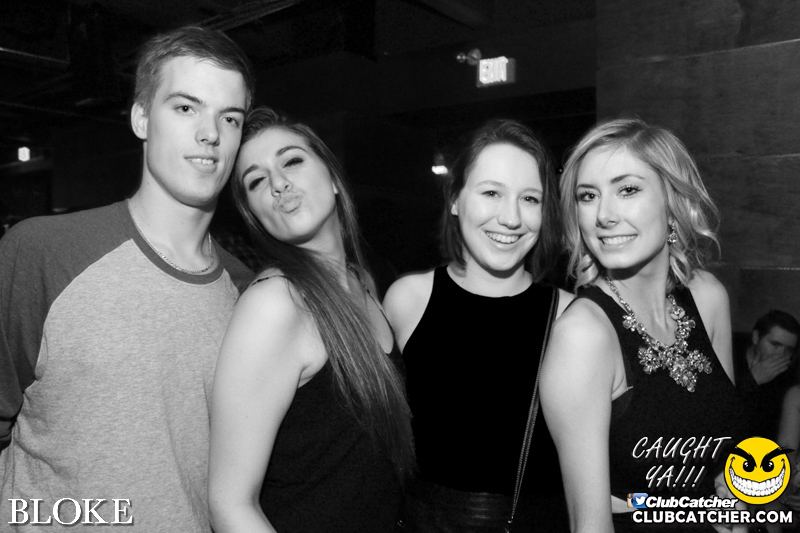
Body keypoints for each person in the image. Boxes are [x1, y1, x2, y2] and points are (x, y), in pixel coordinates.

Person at [0, 26, 254, 531]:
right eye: (186, 107)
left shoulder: (247, 294)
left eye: (230, 117)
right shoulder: (44, 252)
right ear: (141, 118)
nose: (211, 133)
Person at [208, 107, 415, 533]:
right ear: (255, 215)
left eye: (292, 161)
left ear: (334, 179)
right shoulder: (275, 304)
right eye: (256, 181)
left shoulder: (361, 282)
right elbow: (230, 505)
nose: (278, 184)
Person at [541, 118, 746, 532]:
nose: (603, 215)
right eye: (588, 196)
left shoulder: (708, 297)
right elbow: (590, 525)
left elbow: (728, 454)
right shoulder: (584, 335)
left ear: (672, 202)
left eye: (628, 190)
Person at [383, 119, 572, 532]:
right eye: (491, 193)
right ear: (455, 199)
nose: (511, 218)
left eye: (530, 199)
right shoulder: (408, 299)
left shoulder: (570, 317)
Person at [735, 310, 800, 438]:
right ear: (756, 337)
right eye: (775, 345)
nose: (781, 354)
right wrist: (751, 381)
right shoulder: (729, 358)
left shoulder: (788, 376)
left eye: (788, 350)